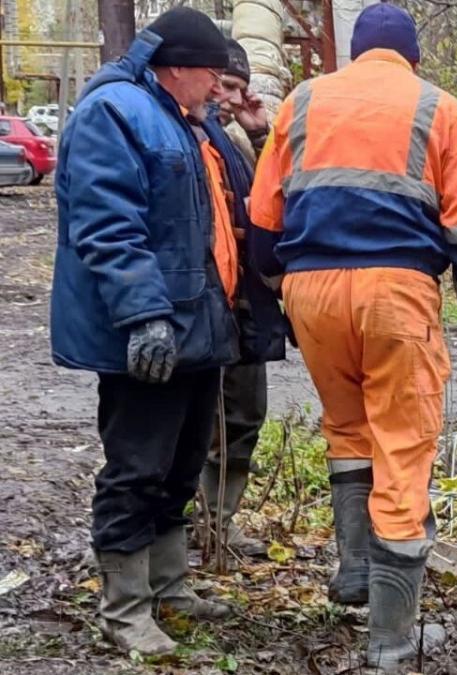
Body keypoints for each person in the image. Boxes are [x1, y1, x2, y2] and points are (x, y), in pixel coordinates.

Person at [249, 4, 457, 668]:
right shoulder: (438, 108)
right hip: (395, 291)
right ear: (411, 57)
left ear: (355, 55)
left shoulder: (302, 102)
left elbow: (263, 220)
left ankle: (357, 571)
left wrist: (282, 290)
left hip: (311, 289)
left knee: (348, 427)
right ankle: (390, 643)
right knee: (403, 449)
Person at [50, 7, 237, 655]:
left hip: (192, 328)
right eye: (212, 73)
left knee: (182, 462)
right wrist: (144, 316)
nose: (218, 86)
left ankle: (168, 584)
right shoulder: (116, 114)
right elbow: (108, 225)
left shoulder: (181, 119)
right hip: (147, 332)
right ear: (177, 66)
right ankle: (124, 608)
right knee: (137, 466)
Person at [193, 38, 288, 559]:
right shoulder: (188, 135)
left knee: (246, 414)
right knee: (197, 421)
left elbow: (276, 192)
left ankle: (218, 524)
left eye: (238, 88)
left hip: (243, 306)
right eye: (225, 85)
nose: (229, 97)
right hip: (202, 305)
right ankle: (191, 522)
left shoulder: (234, 141)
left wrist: (259, 131)